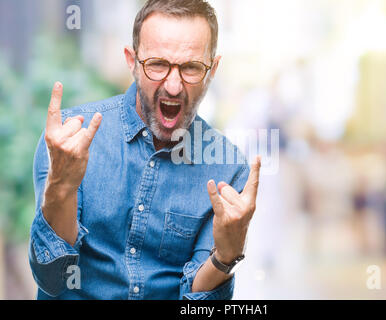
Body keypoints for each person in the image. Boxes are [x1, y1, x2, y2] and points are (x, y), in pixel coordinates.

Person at [28, 0, 261, 300]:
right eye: (158, 65)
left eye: (191, 67)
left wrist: (225, 258)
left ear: (212, 70)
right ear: (132, 62)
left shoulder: (228, 169)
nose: (174, 86)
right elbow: (51, 277)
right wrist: (61, 187)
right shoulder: (70, 141)